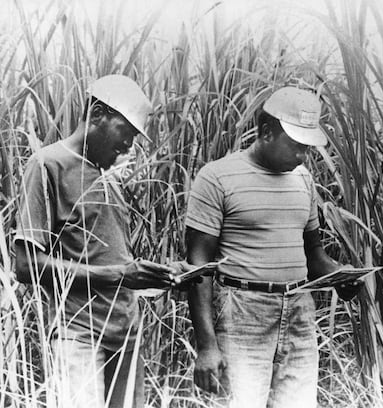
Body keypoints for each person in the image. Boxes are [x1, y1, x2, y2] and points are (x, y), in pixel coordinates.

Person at [14, 75, 195, 408]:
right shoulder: (46, 166)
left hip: (126, 335)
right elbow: (27, 266)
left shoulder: (107, 180)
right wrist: (121, 274)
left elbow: (112, 261)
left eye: (133, 138)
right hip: (78, 336)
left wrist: (161, 276)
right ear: (97, 113)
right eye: (125, 132)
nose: (129, 146)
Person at [185, 86, 361, 408]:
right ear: (266, 132)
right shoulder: (217, 178)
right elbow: (198, 267)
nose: (303, 156)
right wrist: (207, 345)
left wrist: (340, 277)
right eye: (296, 145)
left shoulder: (303, 180)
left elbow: (314, 256)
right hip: (242, 314)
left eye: (308, 148)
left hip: (299, 313)